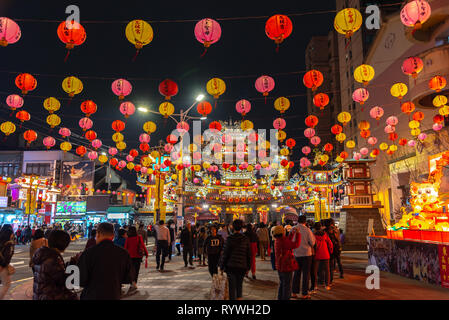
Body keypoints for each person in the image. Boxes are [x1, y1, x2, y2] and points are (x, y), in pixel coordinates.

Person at [78, 222, 135, 299]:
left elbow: (80, 280)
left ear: (97, 234)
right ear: (113, 235)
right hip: (113, 294)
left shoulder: (88, 253)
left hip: (91, 295)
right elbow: (129, 278)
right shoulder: (123, 253)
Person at [31, 230, 78, 300]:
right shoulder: (52, 259)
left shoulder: (43, 254)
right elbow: (65, 282)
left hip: (41, 296)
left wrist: (70, 263)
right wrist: (73, 264)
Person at [220, 219, 251, 300]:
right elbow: (248, 254)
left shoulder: (230, 239)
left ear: (233, 227)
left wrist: (221, 266)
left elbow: (225, 254)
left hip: (231, 266)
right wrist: (248, 267)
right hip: (242, 266)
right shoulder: (246, 239)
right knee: (239, 286)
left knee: (232, 287)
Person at [273, 225, 301, 300]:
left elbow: (288, 242)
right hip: (286, 265)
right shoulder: (283, 241)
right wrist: (298, 234)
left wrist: (291, 234)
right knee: (287, 286)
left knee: (282, 284)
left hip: (280, 265)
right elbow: (295, 244)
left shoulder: (278, 240)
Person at [292, 215, 316, 299]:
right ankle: (304, 293)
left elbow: (291, 240)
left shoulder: (293, 229)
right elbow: (312, 242)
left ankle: (294, 292)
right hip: (306, 254)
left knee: (296, 273)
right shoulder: (308, 230)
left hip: (296, 253)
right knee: (306, 274)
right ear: (305, 222)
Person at [311, 222, 333, 291]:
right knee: (327, 270)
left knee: (315, 271)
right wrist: (330, 251)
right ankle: (327, 285)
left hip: (316, 254)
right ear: (320, 227)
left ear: (314, 228)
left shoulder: (313, 235)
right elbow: (330, 244)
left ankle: (315, 286)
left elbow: (312, 244)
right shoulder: (325, 234)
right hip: (325, 254)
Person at [0, 225, 15, 300]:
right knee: (7, 284)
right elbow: (7, 257)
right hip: (2, 265)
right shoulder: (9, 244)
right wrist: (3, 266)